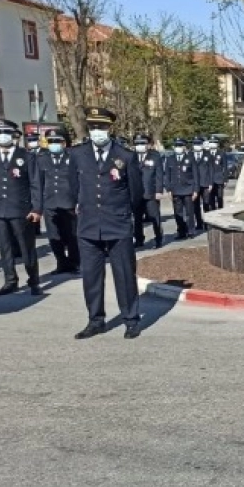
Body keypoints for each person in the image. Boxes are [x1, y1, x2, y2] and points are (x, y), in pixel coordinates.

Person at [69, 107, 143, 340]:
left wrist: (128, 218)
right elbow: (73, 188)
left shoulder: (126, 156)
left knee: (124, 275)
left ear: (110, 129)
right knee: (91, 276)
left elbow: (136, 194)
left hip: (118, 224)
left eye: (101, 127)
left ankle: (130, 319)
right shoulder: (78, 154)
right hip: (89, 225)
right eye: (93, 127)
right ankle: (96, 320)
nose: (97, 131)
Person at [0, 119, 43, 296]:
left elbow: (35, 184)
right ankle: (10, 281)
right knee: (5, 247)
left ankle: (34, 281)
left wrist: (37, 209)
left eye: (5, 132)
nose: (2, 136)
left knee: (26, 248)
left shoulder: (27, 156)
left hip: (21, 209)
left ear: (13, 135)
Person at [37, 129, 80, 275]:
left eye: (56, 141)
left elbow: (79, 181)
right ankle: (61, 262)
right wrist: (38, 204)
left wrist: (79, 200)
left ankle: (74, 263)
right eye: (50, 142)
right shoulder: (42, 158)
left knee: (72, 235)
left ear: (63, 142)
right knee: (54, 235)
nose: (53, 144)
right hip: (50, 203)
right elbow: (39, 183)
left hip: (69, 202)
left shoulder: (72, 157)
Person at [132, 134, 165, 249]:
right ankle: (139, 239)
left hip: (151, 192)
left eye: (142, 143)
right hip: (136, 193)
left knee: (154, 217)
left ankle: (159, 238)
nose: (140, 146)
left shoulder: (155, 156)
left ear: (148, 144)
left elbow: (159, 174)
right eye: (137, 144)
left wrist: (159, 190)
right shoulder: (132, 156)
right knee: (137, 218)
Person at [165, 138, 199, 240]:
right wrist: (168, 189)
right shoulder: (170, 159)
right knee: (178, 213)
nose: (178, 148)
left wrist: (196, 190)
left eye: (180, 146)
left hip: (188, 189)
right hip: (175, 189)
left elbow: (195, 175)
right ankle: (181, 231)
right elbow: (167, 175)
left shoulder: (190, 158)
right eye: (176, 146)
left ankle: (191, 231)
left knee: (189, 212)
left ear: (184, 147)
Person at [207, 136, 227, 210]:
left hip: (219, 179)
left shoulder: (221, 153)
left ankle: (220, 211)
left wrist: (225, 179)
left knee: (220, 197)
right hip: (209, 180)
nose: (212, 144)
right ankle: (212, 212)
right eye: (211, 142)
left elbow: (225, 167)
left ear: (217, 144)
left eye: (214, 142)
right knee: (210, 198)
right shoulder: (206, 154)